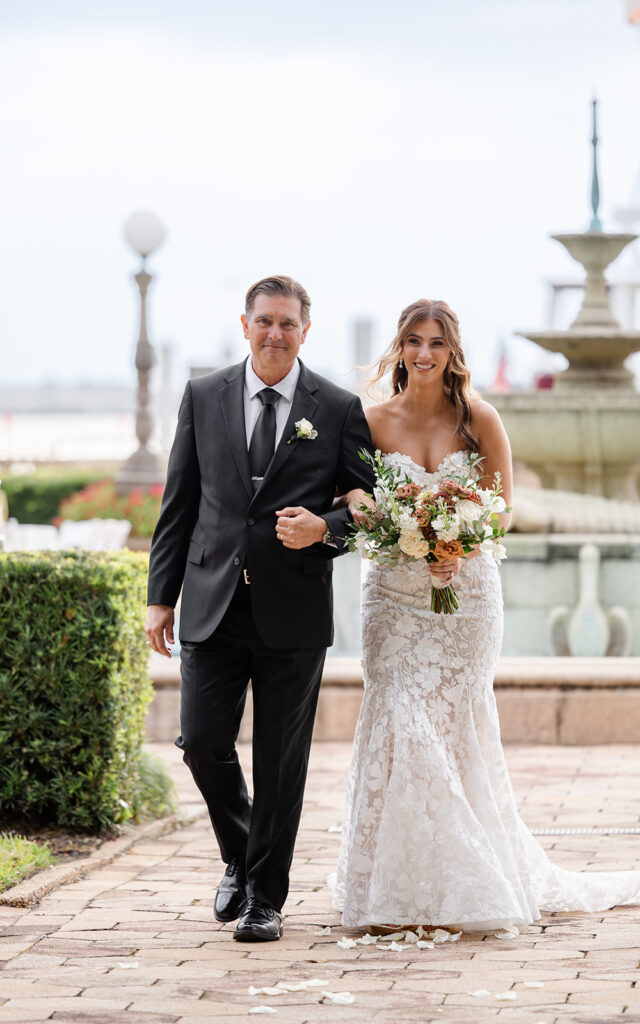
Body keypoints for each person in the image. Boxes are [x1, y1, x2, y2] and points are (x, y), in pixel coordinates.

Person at [333, 298, 640, 930]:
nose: (424, 353)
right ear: (398, 348)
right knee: (397, 718)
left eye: (437, 343)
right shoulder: (368, 420)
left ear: (452, 353)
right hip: (392, 599)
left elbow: (502, 508)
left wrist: (458, 540)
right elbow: (354, 494)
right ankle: (402, 885)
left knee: (455, 729)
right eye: (414, 341)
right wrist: (383, 519)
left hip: (465, 598)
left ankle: (461, 875)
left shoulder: (479, 418)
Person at [146, 275, 374, 942]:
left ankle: (264, 900)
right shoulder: (202, 395)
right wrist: (161, 598)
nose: (275, 333)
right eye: (264, 321)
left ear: (306, 330)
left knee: (281, 760)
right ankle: (240, 856)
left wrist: (325, 529)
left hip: (293, 609)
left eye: (288, 323)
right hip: (211, 601)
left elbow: (366, 508)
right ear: (244, 324)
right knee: (201, 743)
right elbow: (179, 504)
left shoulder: (334, 406)